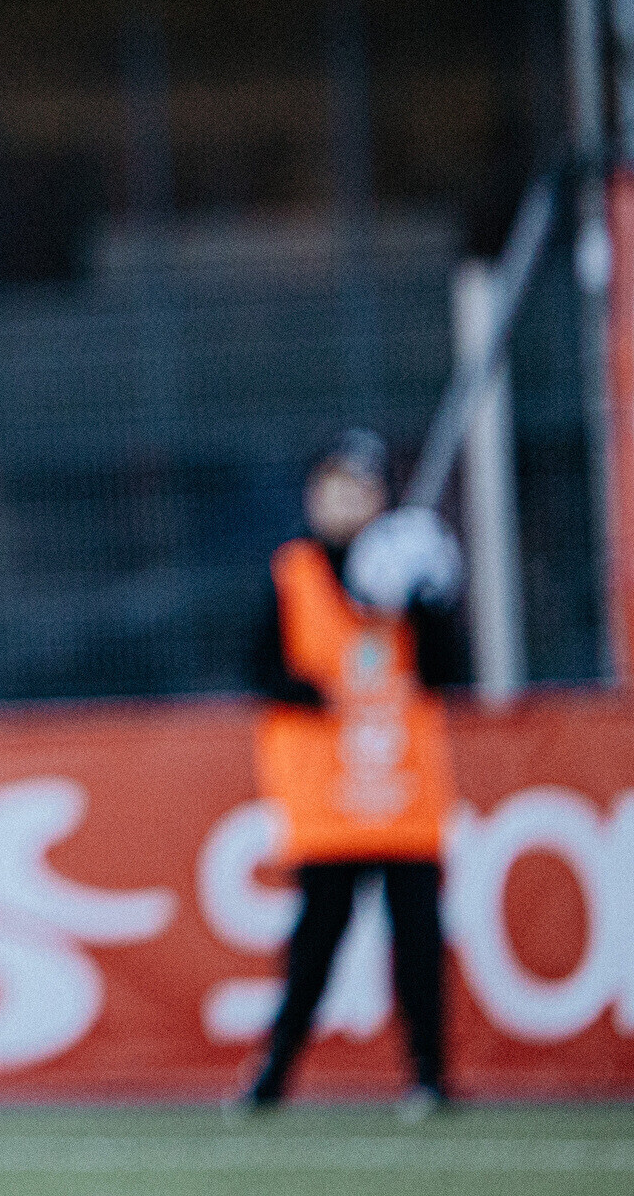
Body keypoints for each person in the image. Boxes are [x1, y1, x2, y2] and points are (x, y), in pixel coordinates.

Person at [238, 428, 468, 1116]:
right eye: (334, 487)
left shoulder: (408, 566)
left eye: (359, 489)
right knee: (317, 940)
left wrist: (425, 602)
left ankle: (429, 1076)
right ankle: (274, 1074)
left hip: (403, 792)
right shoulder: (293, 572)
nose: (345, 502)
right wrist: (314, 692)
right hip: (327, 796)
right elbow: (260, 668)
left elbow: (447, 673)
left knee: (418, 938)